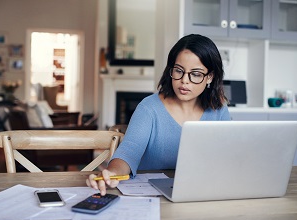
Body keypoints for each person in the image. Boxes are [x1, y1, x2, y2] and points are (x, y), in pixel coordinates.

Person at [86, 34, 231, 195]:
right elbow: (128, 152)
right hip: (151, 196)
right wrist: (112, 173)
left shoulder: (219, 109)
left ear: (209, 77)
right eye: (179, 71)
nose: (184, 80)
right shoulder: (149, 108)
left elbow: (228, 157)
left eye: (196, 74)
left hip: (200, 193)